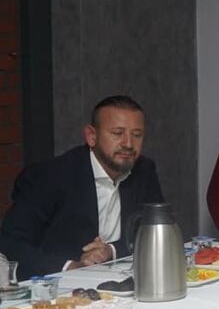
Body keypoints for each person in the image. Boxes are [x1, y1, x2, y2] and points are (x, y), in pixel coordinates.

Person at [0, 95, 164, 276]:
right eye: (118, 133)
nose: (128, 144)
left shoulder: (144, 170)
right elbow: (11, 244)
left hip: (121, 279)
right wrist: (72, 267)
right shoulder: (49, 176)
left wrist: (110, 250)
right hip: (58, 285)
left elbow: (155, 230)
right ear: (92, 136)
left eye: (137, 135)